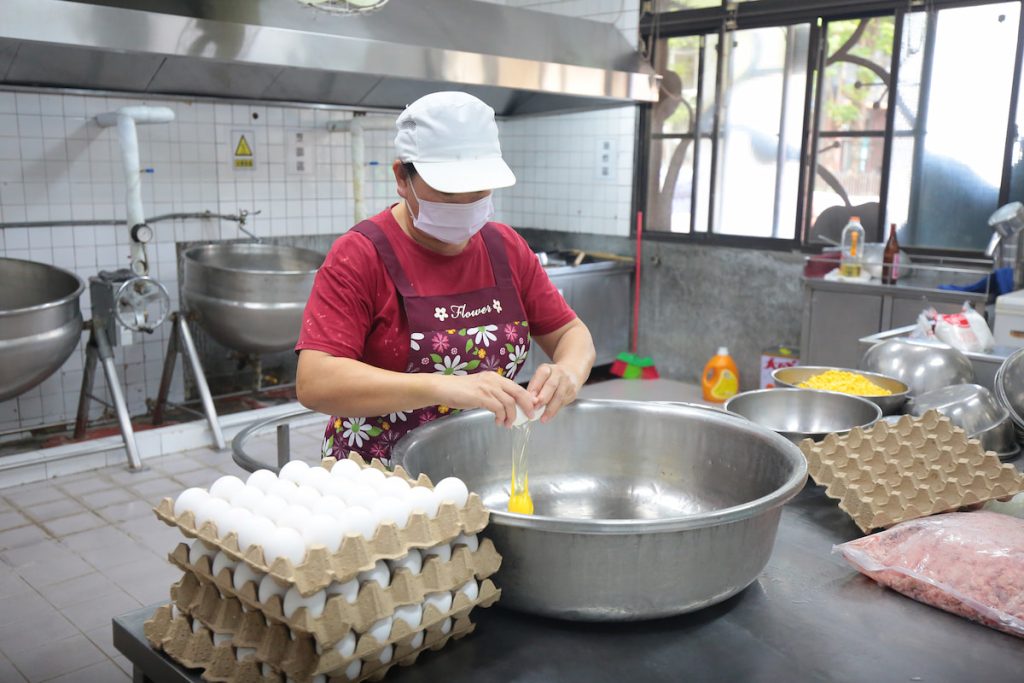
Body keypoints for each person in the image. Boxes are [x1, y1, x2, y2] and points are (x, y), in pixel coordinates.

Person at [295, 91, 596, 463]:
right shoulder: (360, 255)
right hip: (378, 472)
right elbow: (315, 382)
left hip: (481, 462)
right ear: (402, 178)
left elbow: (571, 333)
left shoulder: (505, 248)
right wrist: (446, 387)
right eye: (449, 191)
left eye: (479, 190)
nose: (466, 204)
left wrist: (568, 371)